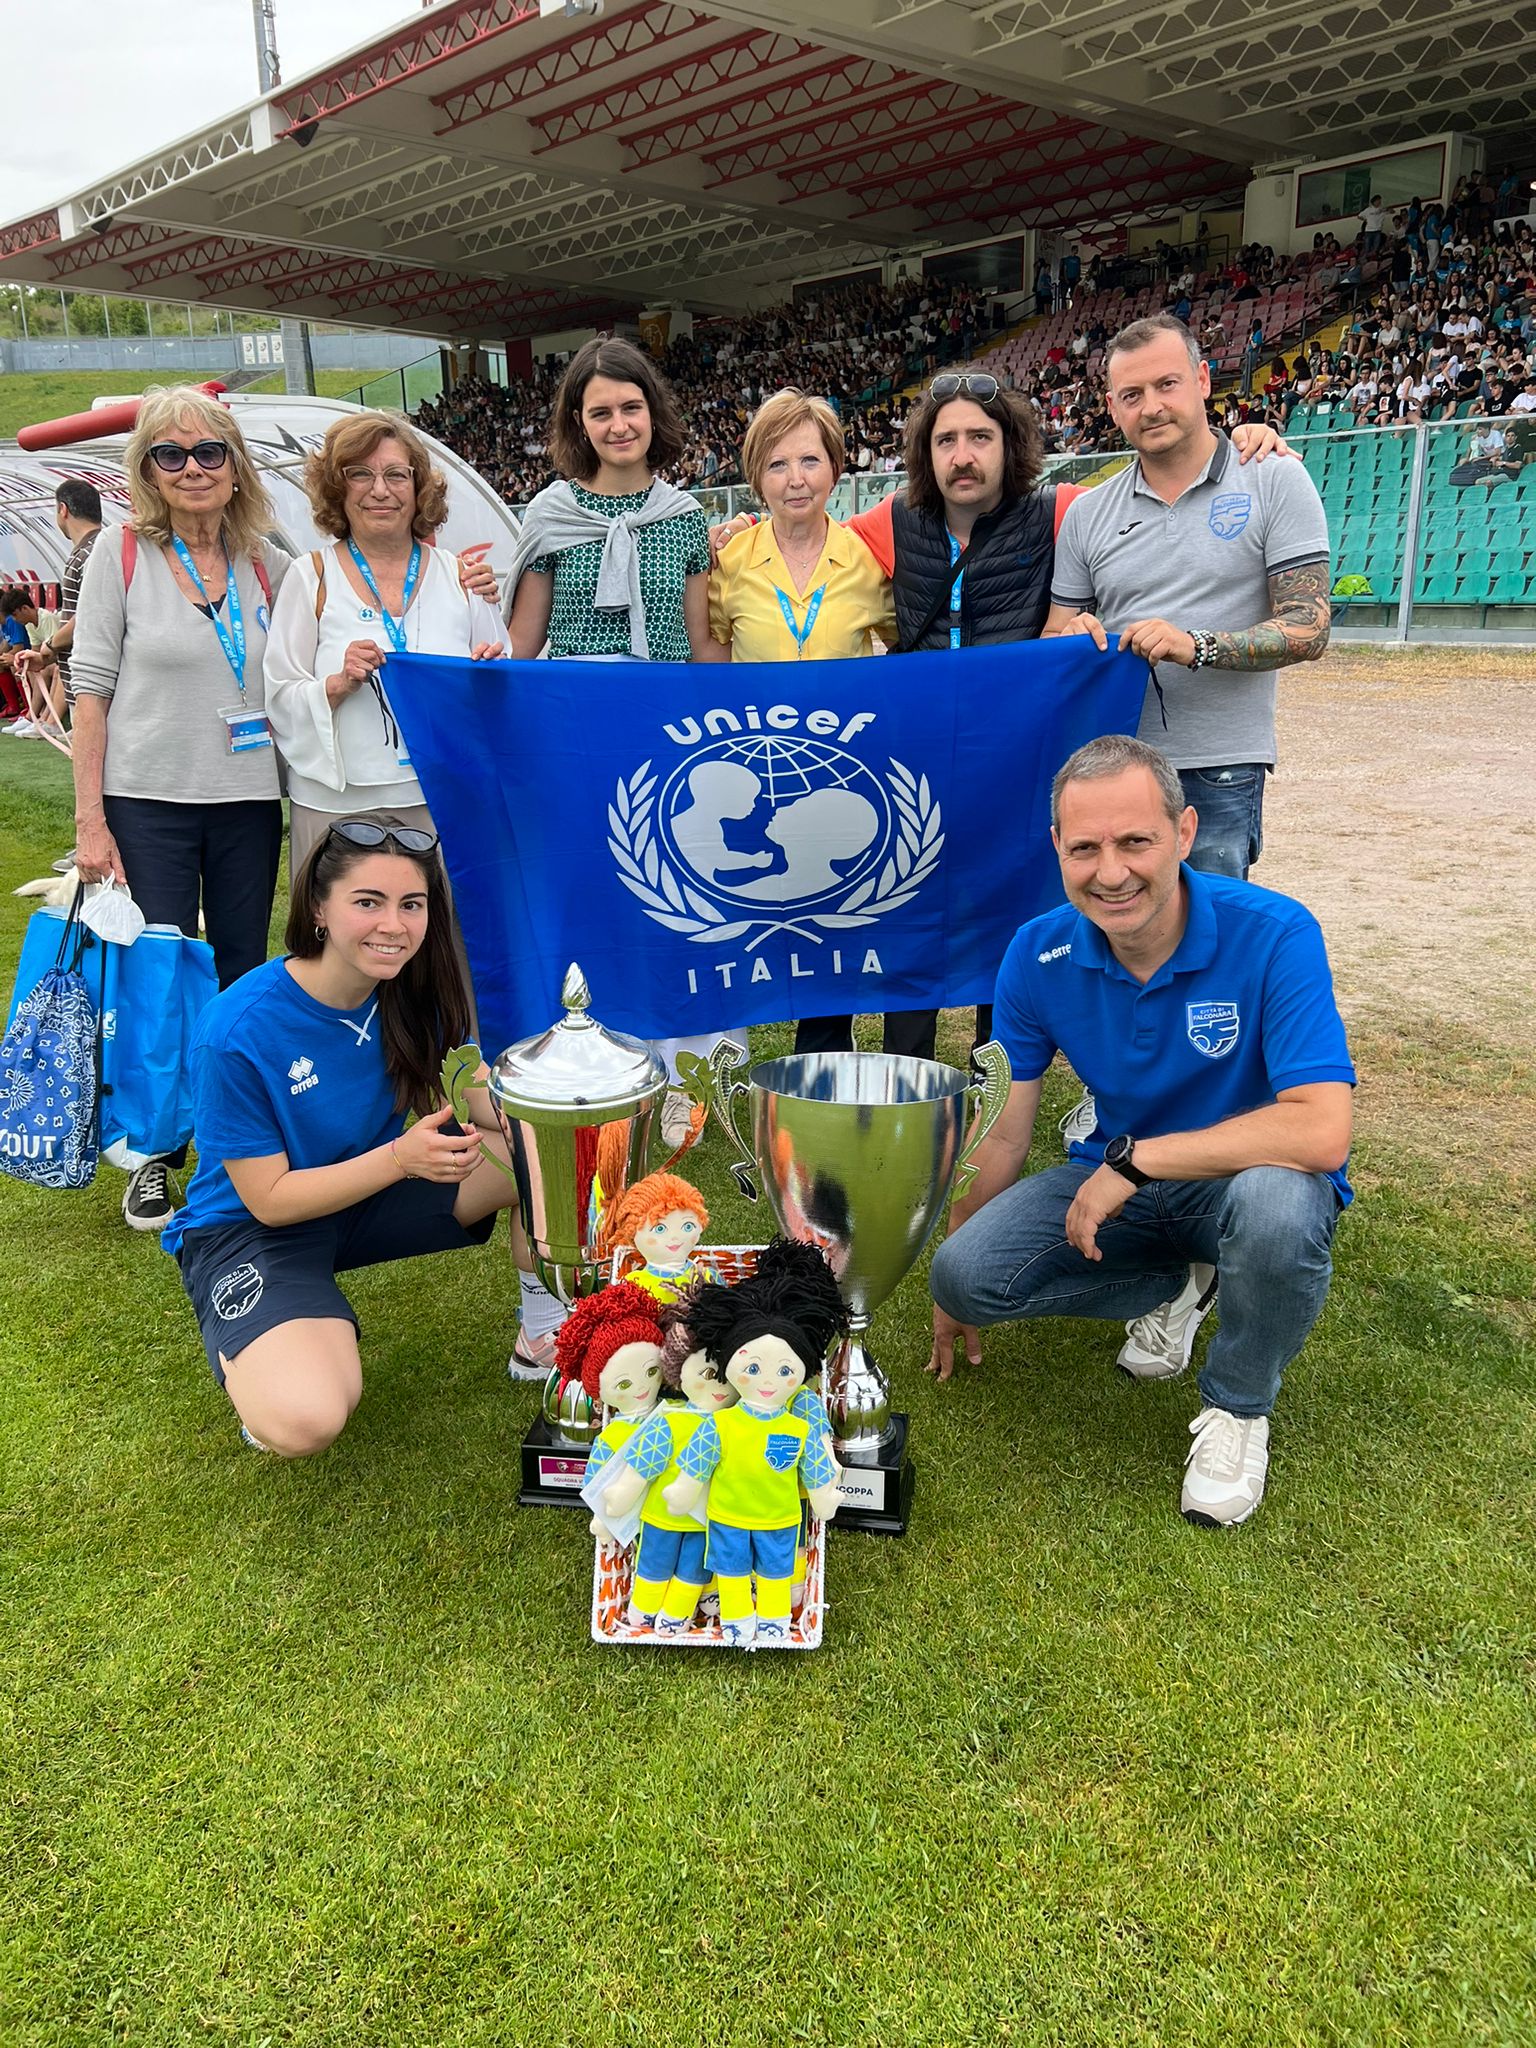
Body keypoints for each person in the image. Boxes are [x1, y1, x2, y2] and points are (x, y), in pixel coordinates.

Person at [927, 736, 1354, 1528]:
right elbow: (1009, 1132)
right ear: (1056, 846)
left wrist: (1136, 1161)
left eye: (1136, 841)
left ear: (1185, 833)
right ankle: (1181, 1283)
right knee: (967, 1275)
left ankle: (1237, 1409)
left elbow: (1323, 1131)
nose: (1111, 871)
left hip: (1234, 1183)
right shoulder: (1036, 949)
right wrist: (955, 1267)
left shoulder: (1278, 933)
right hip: (1123, 1185)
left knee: (1277, 1208)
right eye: (1084, 847)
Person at [161, 822, 523, 1456]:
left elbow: (470, 1096)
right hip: (252, 1226)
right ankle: (283, 1346)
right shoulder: (238, 1029)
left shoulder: (412, 993)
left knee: (543, 1154)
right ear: (319, 910)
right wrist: (400, 1158)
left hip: (364, 1195)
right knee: (308, 1420)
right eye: (368, 902)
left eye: (411, 905)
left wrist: (561, 1109)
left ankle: (548, 1335)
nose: (394, 924)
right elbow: (268, 1199)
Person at [69, 386, 289, 1231]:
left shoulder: (268, 558)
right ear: (148, 471)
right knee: (160, 978)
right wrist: (92, 821)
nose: (192, 468)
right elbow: (90, 695)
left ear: (235, 467)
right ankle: (157, 1153)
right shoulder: (120, 555)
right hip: (147, 801)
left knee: (239, 968)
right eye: (171, 454)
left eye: (209, 453)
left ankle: (238, 1145)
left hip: (246, 799)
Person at [1044, 316, 1331, 883]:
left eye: (1166, 384)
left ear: (1203, 380)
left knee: (1211, 938)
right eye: (1132, 395)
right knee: (1114, 933)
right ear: (1111, 406)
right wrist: (1071, 639)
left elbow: (1309, 626)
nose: (1151, 406)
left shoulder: (1272, 479)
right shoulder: (1087, 513)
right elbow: (1055, 634)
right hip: (1111, 765)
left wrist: (1194, 646)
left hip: (1219, 766)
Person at [263, 409, 509, 881]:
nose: (380, 490)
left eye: (397, 474)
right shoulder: (310, 575)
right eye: (361, 474)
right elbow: (278, 694)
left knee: (440, 943)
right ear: (338, 488)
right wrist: (336, 683)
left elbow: (500, 686)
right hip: (338, 804)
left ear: (420, 490)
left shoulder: (460, 577)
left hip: (440, 797)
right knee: (343, 944)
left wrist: (486, 675)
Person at [506, 336, 715, 664]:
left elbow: (701, 648)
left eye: (631, 407)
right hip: (576, 707)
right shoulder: (550, 514)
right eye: (601, 413)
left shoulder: (685, 518)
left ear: (651, 410)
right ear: (580, 423)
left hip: (665, 710)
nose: (620, 426)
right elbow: (520, 644)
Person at [707, 387, 896, 662]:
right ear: (757, 478)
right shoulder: (729, 560)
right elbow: (709, 655)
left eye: (810, 460)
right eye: (777, 464)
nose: (796, 480)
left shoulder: (866, 560)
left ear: (834, 469)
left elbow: (907, 655)